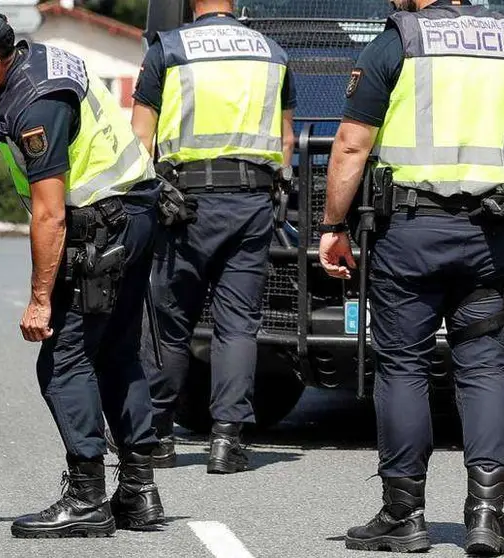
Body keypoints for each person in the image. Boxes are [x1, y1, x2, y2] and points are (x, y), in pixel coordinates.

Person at [319, 0, 504, 554]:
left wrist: (333, 226)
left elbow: (352, 145)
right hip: (492, 237)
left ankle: (404, 515)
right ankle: (487, 517)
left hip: (410, 235)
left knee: (403, 365)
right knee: (484, 367)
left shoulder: (399, 39)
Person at [0, 3, 166, 539]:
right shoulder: (40, 62)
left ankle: (86, 498)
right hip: (134, 211)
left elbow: (50, 212)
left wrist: (39, 298)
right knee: (118, 352)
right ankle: (139, 491)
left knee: (62, 362)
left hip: (100, 226)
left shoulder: (34, 102)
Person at [122, 0, 296, 474]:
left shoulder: (169, 48)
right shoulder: (272, 52)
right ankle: (227, 440)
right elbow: (286, 139)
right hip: (252, 202)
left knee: (169, 321)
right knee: (238, 323)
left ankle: (158, 436)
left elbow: (141, 135)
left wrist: (145, 197)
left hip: (184, 205)